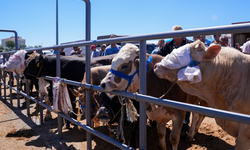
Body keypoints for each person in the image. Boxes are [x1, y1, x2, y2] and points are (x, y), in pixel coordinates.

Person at [156, 25, 192, 137]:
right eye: (174, 35)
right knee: (173, 99)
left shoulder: (189, 44)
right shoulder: (168, 45)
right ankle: (173, 120)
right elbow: (159, 55)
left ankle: (184, 125)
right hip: (171, 78)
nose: (175, 37)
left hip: (185, 76)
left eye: (177, 35)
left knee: (186, 99)